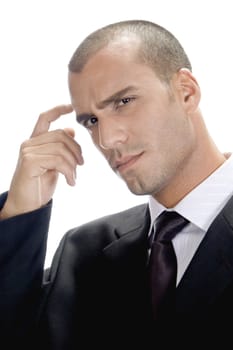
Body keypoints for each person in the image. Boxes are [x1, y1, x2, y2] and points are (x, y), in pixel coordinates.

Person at [0, 19, 233, 349]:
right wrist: (21, 211)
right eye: (92, 121)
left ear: (186, 92)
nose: (107, 139)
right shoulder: (83, 254)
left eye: (124, 102)